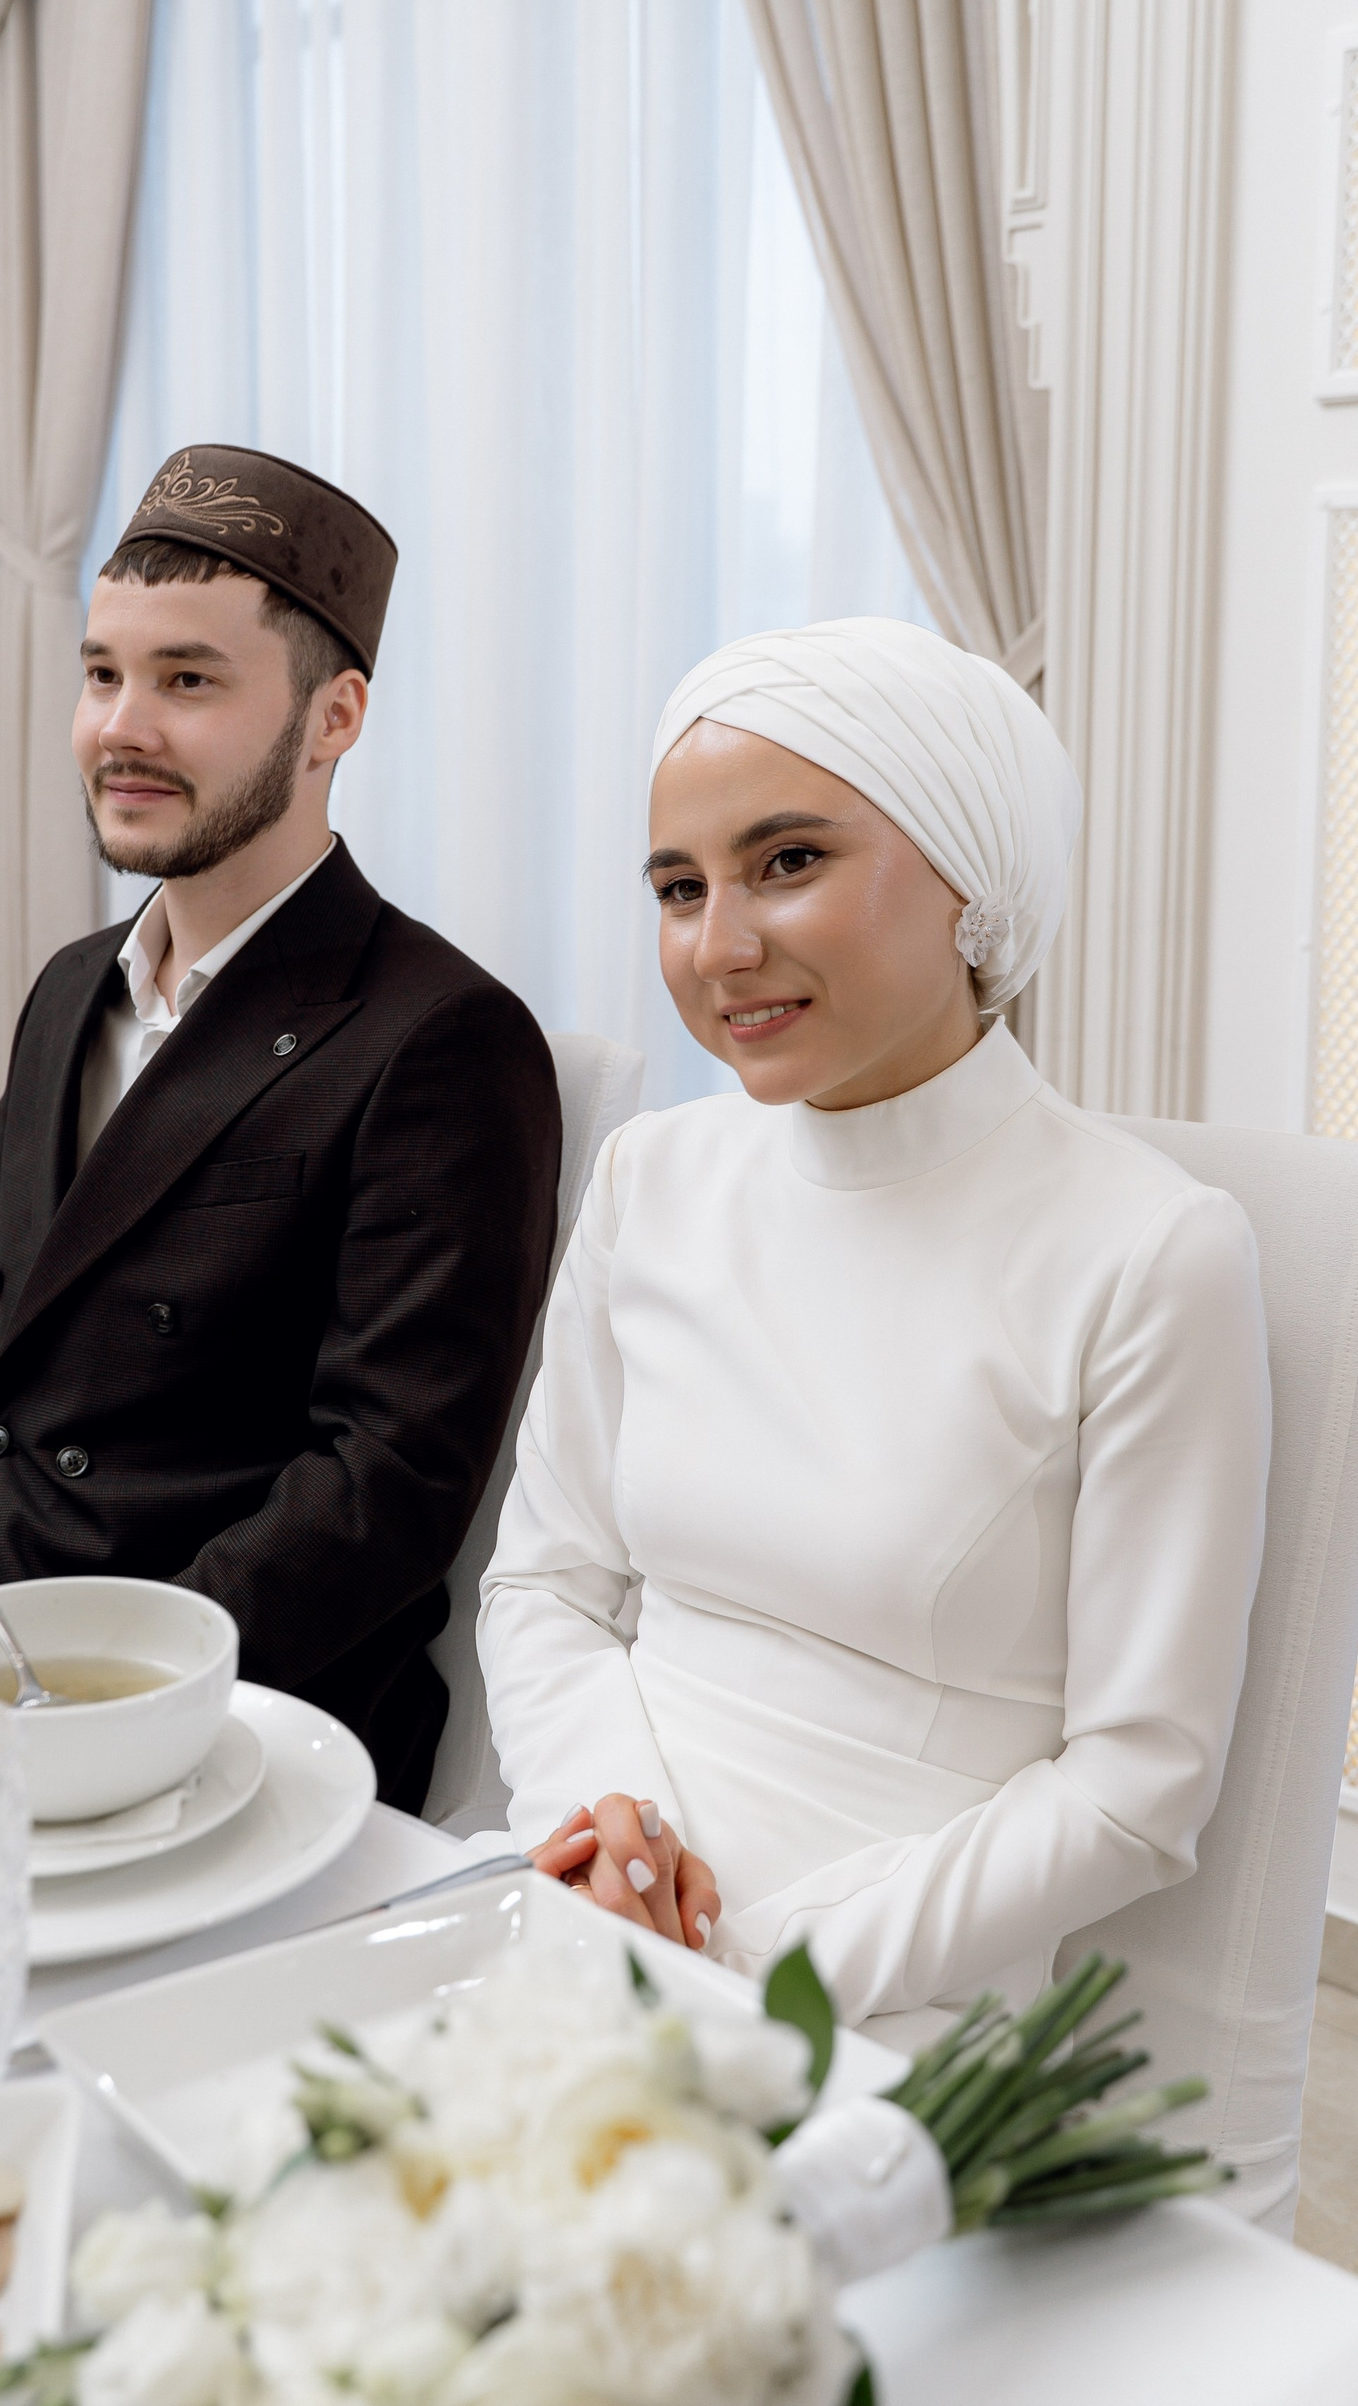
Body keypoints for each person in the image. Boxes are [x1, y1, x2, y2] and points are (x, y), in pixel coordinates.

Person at [475, 619, 1271, 2039]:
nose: (719, 947)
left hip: (892, 2006)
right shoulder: (653, 1177)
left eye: (789, 862)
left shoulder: (1151, 1251)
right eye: (679, 887)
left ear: (973, 876)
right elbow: (547, 1585)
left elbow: (1140, 1787)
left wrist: (755, 1973)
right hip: (592, 1909)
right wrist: (612, 1853)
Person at [0, 445, 562, 1813]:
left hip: (216, 1721)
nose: (122, 727)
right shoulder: (68, 989)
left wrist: (128, 1699)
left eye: (188, 681)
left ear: (334, 717)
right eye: (102, 673)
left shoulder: (441, 1035)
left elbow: (386, 1483)